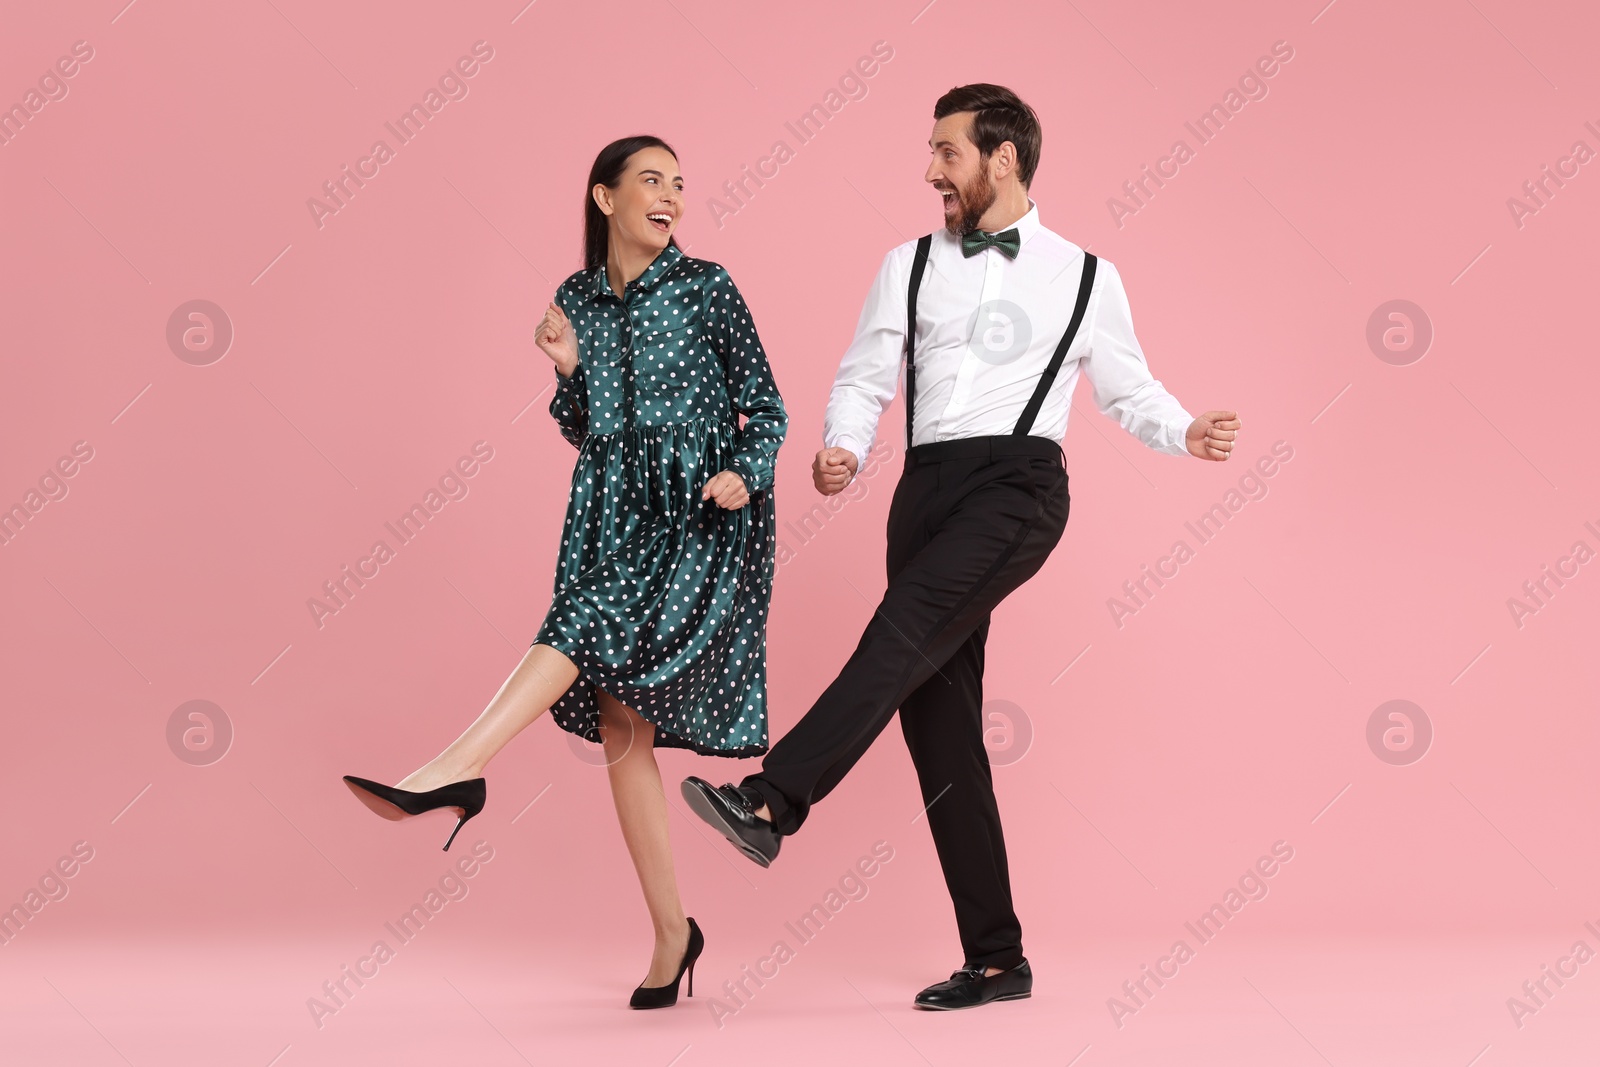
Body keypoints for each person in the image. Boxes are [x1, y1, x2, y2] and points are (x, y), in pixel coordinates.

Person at [683, 85, 1240, 1010]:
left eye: (946, 151)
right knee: (938, 724)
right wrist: (845, 448)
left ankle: (775, 799)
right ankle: (997, 957)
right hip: (923, 489)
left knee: (900, 626)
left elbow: (1128, 389)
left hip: (1017, 488)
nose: (930, 169)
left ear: (1003, 157)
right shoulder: (907, 263)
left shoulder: (1086, 274)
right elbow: (866, 372)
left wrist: (1184, 431)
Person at [344, 134, 787, 1010]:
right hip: (613, 511)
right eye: (650, 182)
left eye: (679, 185)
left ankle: (452, 768)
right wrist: (570, 371)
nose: (669, 197)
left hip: (703, 509)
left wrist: (749, 468)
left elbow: (765, 405)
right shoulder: (575, 300)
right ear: (604, 197)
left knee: (581, 625)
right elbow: (589, 432)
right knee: (625, 731)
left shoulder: (708, 287)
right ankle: (673, 932)